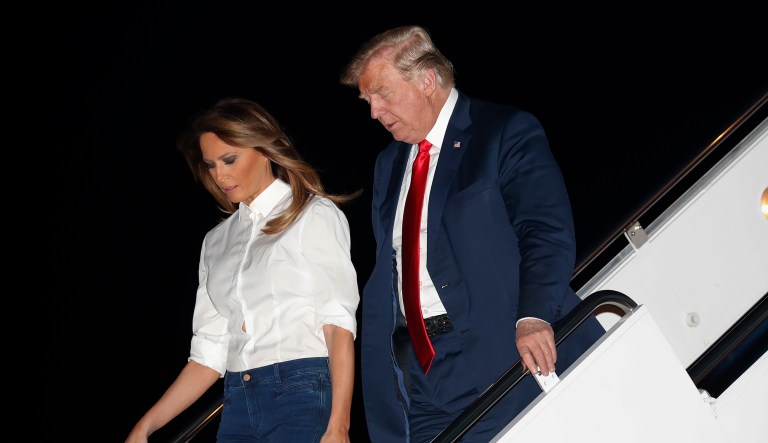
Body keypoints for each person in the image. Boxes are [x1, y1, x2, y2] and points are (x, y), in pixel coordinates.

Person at [339, 25, 606, 442]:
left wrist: (534, 316)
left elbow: (546, 231)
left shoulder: (502, 131)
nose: (374, 111)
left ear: (426, 80)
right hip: (424, 376)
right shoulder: (387, 167)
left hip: (502, 349)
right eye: (367, 100)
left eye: (383, 94)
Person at [125, 98, 361, 443]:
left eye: (229, 159)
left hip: (302, 391)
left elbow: (338, 324)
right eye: (210, 165)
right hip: (238, 400)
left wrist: (339, 425)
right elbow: (209, 352)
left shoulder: (313, 214)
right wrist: (145, 427)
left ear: (263, 149)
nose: (220, 175)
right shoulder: (216, 241)